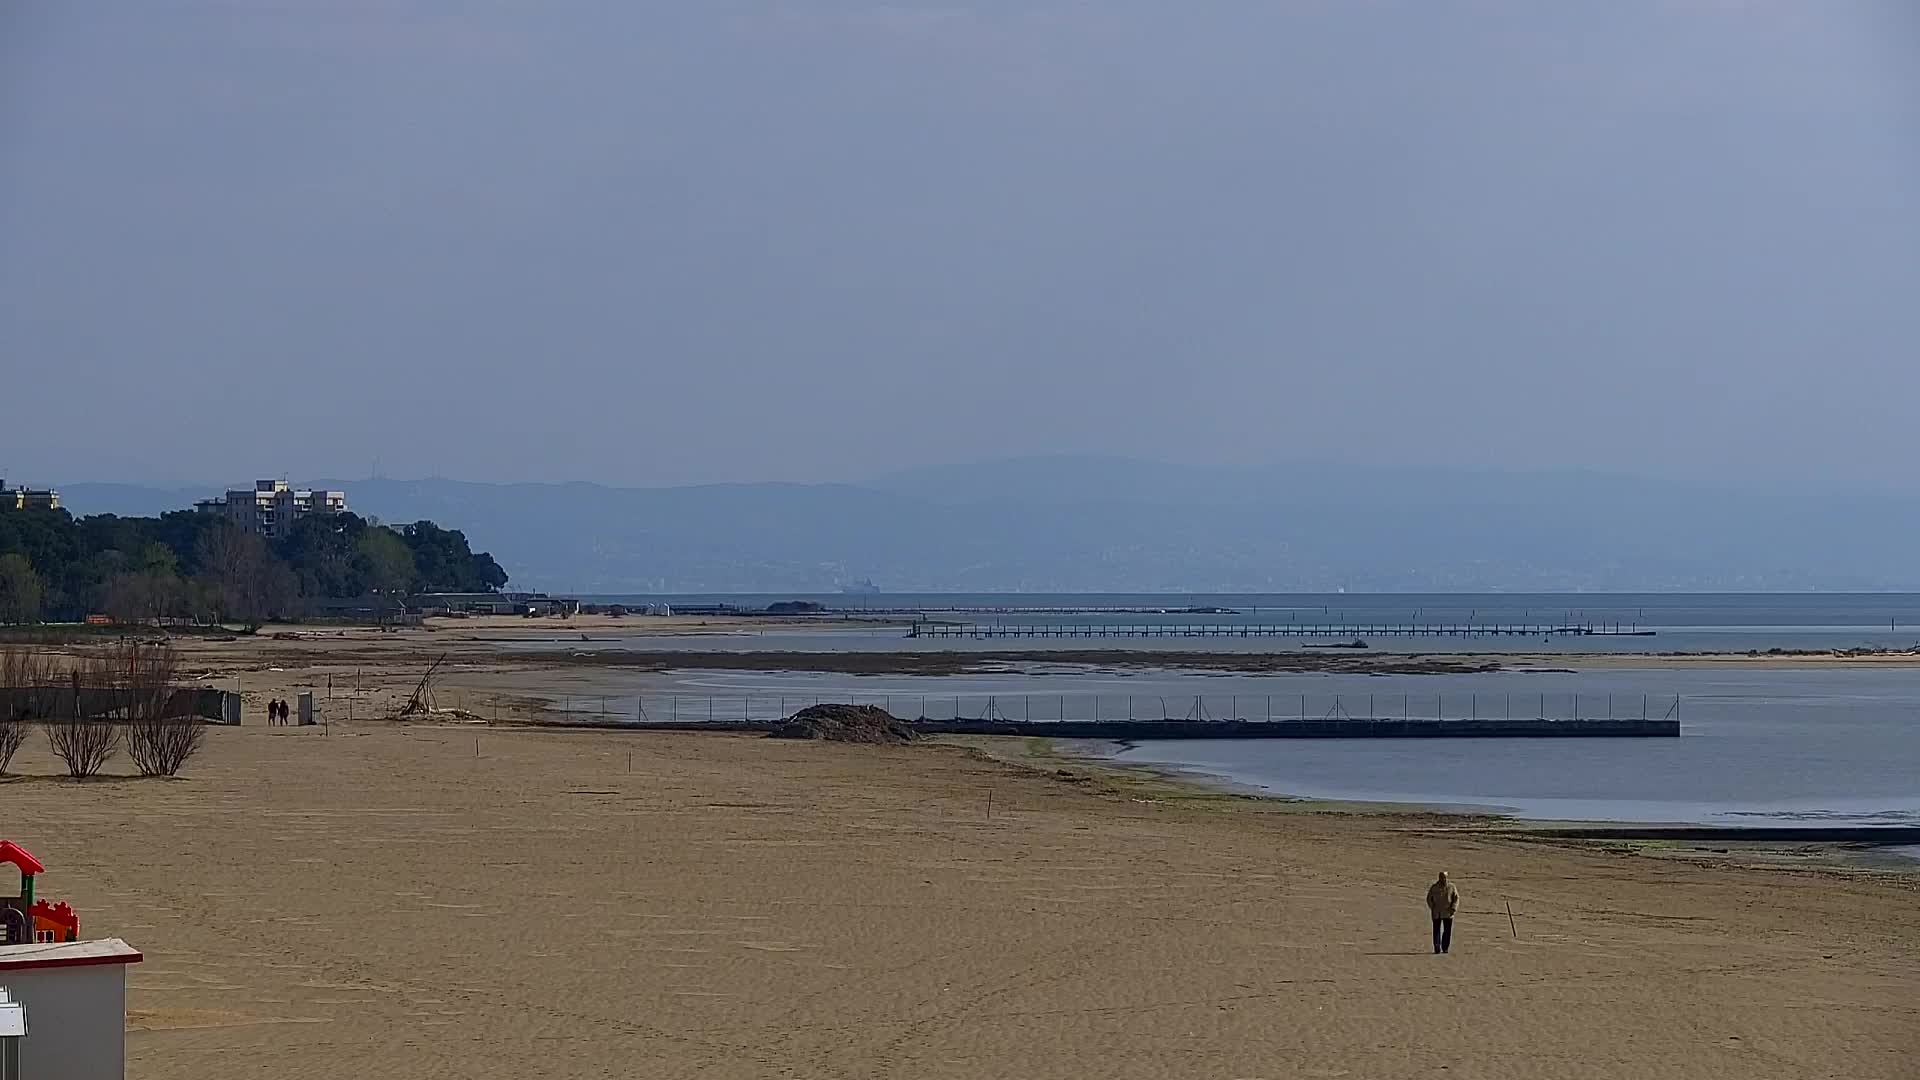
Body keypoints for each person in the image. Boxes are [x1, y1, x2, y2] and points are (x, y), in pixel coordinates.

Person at [1427, 871, 1459, 954]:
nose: (1443, 879)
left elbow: (1456, 898)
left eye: (1444, 877)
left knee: (1447, 931)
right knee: (1436, 930)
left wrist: (1453, 908)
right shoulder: (1434, 887)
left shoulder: (1451, 887)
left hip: (1448, 912)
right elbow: (1429, 899)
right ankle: (1437, 946)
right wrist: (1433, 907)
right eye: (1441, 877)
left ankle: (1445, 947)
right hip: (1437, 913)